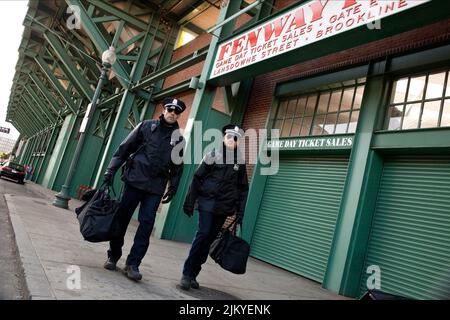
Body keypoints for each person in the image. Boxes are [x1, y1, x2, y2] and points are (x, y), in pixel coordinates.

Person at [102, 97, 186, 281]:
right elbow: (123, 149)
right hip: (134, 180)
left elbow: (178, 167)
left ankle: (133, 264)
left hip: (155, 187)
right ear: (163, 110)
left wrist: (173, 187)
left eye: (176, 111)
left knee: (147, 225)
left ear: (179, 114)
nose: (172, 114)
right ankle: (113, 255)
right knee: (121, 220)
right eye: (170, 109)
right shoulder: (146, 126)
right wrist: (111, 169)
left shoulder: (179, 139)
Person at [180, 124, 249, 290]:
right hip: (207, 203)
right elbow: (197, 178)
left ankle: (194, 274)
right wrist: (190, 201)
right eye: (230, 137)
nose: (233, 140)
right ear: (224, 138)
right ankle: (187, 273)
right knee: (203, 234)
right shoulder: (212, 155)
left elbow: (242, 189)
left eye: (236, 138)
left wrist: (240, 212)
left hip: (224, 207)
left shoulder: (240, 163)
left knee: (209, 238)